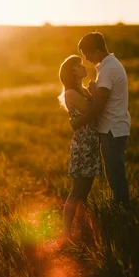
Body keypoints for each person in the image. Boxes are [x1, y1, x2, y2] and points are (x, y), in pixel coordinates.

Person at [70, 32, 131, 207]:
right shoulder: (109, 66)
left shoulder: (108, 70)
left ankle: (123, 211)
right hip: (114, 128)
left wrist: (76, 123)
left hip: (112, 130)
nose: (87, 59)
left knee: (115, 176)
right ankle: (122, 209)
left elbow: (98, 107)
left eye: (87, 54)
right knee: (114, 174)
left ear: (96, 51)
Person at [57, 55, 101, 245]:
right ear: (72, 71)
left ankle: (81, 231)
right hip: (83, 145)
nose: (84, 67)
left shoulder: (81, 90)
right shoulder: (71, 93)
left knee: (84, 193)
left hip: (90, 144)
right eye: (79, 65)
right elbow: (94, 110)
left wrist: (93, 92)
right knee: (77, 192)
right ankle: (66, 234)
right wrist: (97, 93)